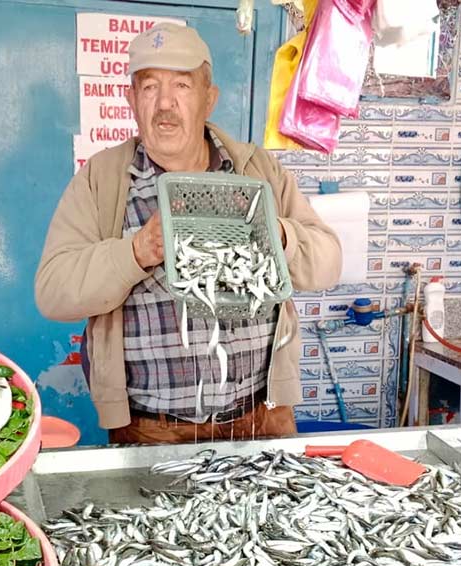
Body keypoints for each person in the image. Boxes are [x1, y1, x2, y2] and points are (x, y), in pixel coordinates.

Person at [35, 24, 342, 445]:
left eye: (182, 85)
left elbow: (328, 261)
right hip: (153, 429)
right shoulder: (102, 181)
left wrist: (278, 235)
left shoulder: (259, 171)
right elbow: (53, 291)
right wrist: (137, 251)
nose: (165, 104)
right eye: (149, 88)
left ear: (208, 99)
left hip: (262, 418)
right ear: (130, 100)